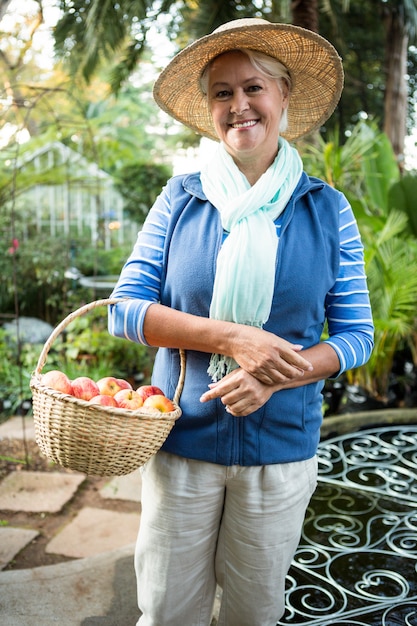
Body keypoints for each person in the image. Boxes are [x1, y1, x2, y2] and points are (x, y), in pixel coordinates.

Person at [108, 17, 374, 626]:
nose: (239, 105)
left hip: (280, 451)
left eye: (254, 87)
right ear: (209, 109)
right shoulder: (181, 199)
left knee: (254, 615)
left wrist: (276, 375)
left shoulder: (326, 208)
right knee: (169, 612)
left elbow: (357, 336)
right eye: (222, 92)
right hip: (182, 441)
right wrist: (233, 338)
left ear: (283, 97)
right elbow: (125, 310)